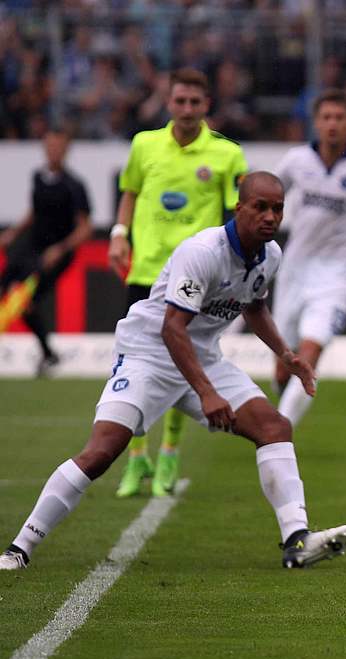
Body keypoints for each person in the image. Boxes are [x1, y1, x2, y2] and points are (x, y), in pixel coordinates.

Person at [0, 173, 346, 572]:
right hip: (148, 353)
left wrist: (286, 354)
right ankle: (20, 546)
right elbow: (172, 328)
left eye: (277, 208)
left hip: (201, 355)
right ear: (239, 208)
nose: (270, 216)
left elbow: (254, 306)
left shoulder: (270, 255)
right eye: (260, 207)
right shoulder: (203, 251)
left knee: (274, 426)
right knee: (102, 452)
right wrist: (206, 393)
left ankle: (298, 540)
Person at [108, 68, 250, 500]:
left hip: (192, 277)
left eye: (195, 102)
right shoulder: (144, 145)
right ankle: (137, 456)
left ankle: (170, 450)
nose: (187, 109)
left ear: (207, 105)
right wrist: (118, 234)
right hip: (146, 268)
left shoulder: (227, 155)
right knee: (131, 361)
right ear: (168, 103)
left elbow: (235, 215)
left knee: (181, 361)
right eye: (180, 101)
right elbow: (130, 191)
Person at [272, 90, 346, 427]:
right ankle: (284, 409)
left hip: (336, 275)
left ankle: (277, 431)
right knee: (283, 366)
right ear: (316, 122)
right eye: (326, 117)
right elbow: (268, 202)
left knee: (311, 352)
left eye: (340, 118)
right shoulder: (295, 162)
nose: (332, 124)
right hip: (293, 269)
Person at [0, 126, 91, 373]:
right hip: (32, 244)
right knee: (4, 285)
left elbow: (85, 228)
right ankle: (49, 354)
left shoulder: (74, 185)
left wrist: (60, 249)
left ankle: (49, 354)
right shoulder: (38, 177)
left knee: (25, 301)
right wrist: (13, 233)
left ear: (66, 150)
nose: (53, 151)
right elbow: (33, 213)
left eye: (58, 147)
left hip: (55, 253)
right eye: (49, 146)